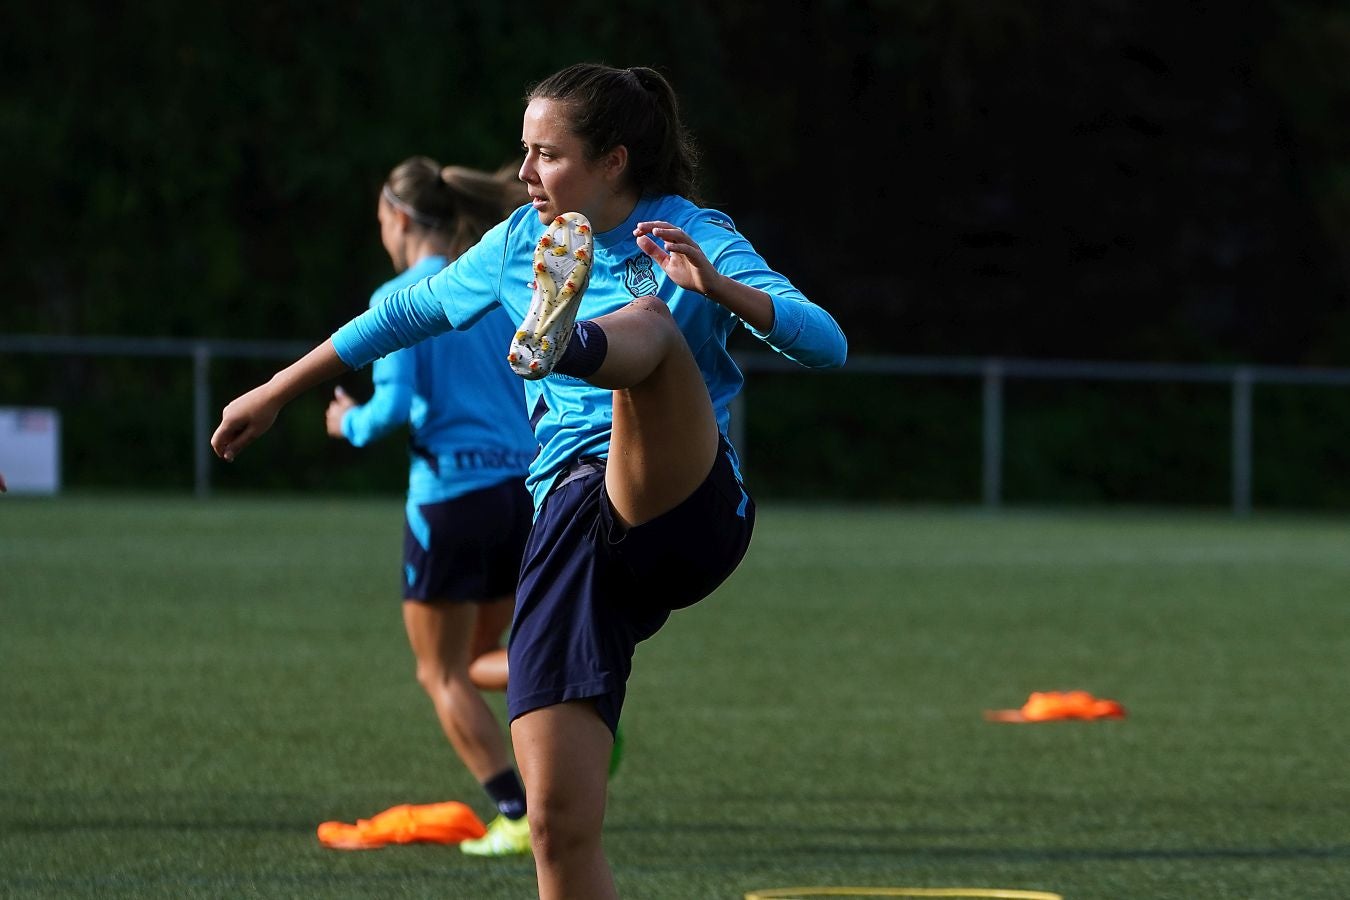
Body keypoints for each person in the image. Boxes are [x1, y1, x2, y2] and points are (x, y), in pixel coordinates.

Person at [212, 63, 847, 899]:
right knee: (554, 826)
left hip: (685, 504)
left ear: (613, 161)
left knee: (651, 322)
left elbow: (827, 343)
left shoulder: (689, 231)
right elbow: (403, 313)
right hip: (570, 530)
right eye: (524, 153)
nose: (522, 175)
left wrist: (722, 289)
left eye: (545, 155)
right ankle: (567, 339)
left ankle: (571, 342)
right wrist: (275, 391)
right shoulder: (518, 242)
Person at [324, 157, 537, 857]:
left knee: (439, 672)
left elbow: (390, 410)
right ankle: (563, 671)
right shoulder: (495, 283)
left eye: (380, 220)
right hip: (521, 492)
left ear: (402, 219)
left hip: (451, 497)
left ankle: (515, 811)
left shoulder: (402, 294)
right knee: (485, 656)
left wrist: (345, 424)